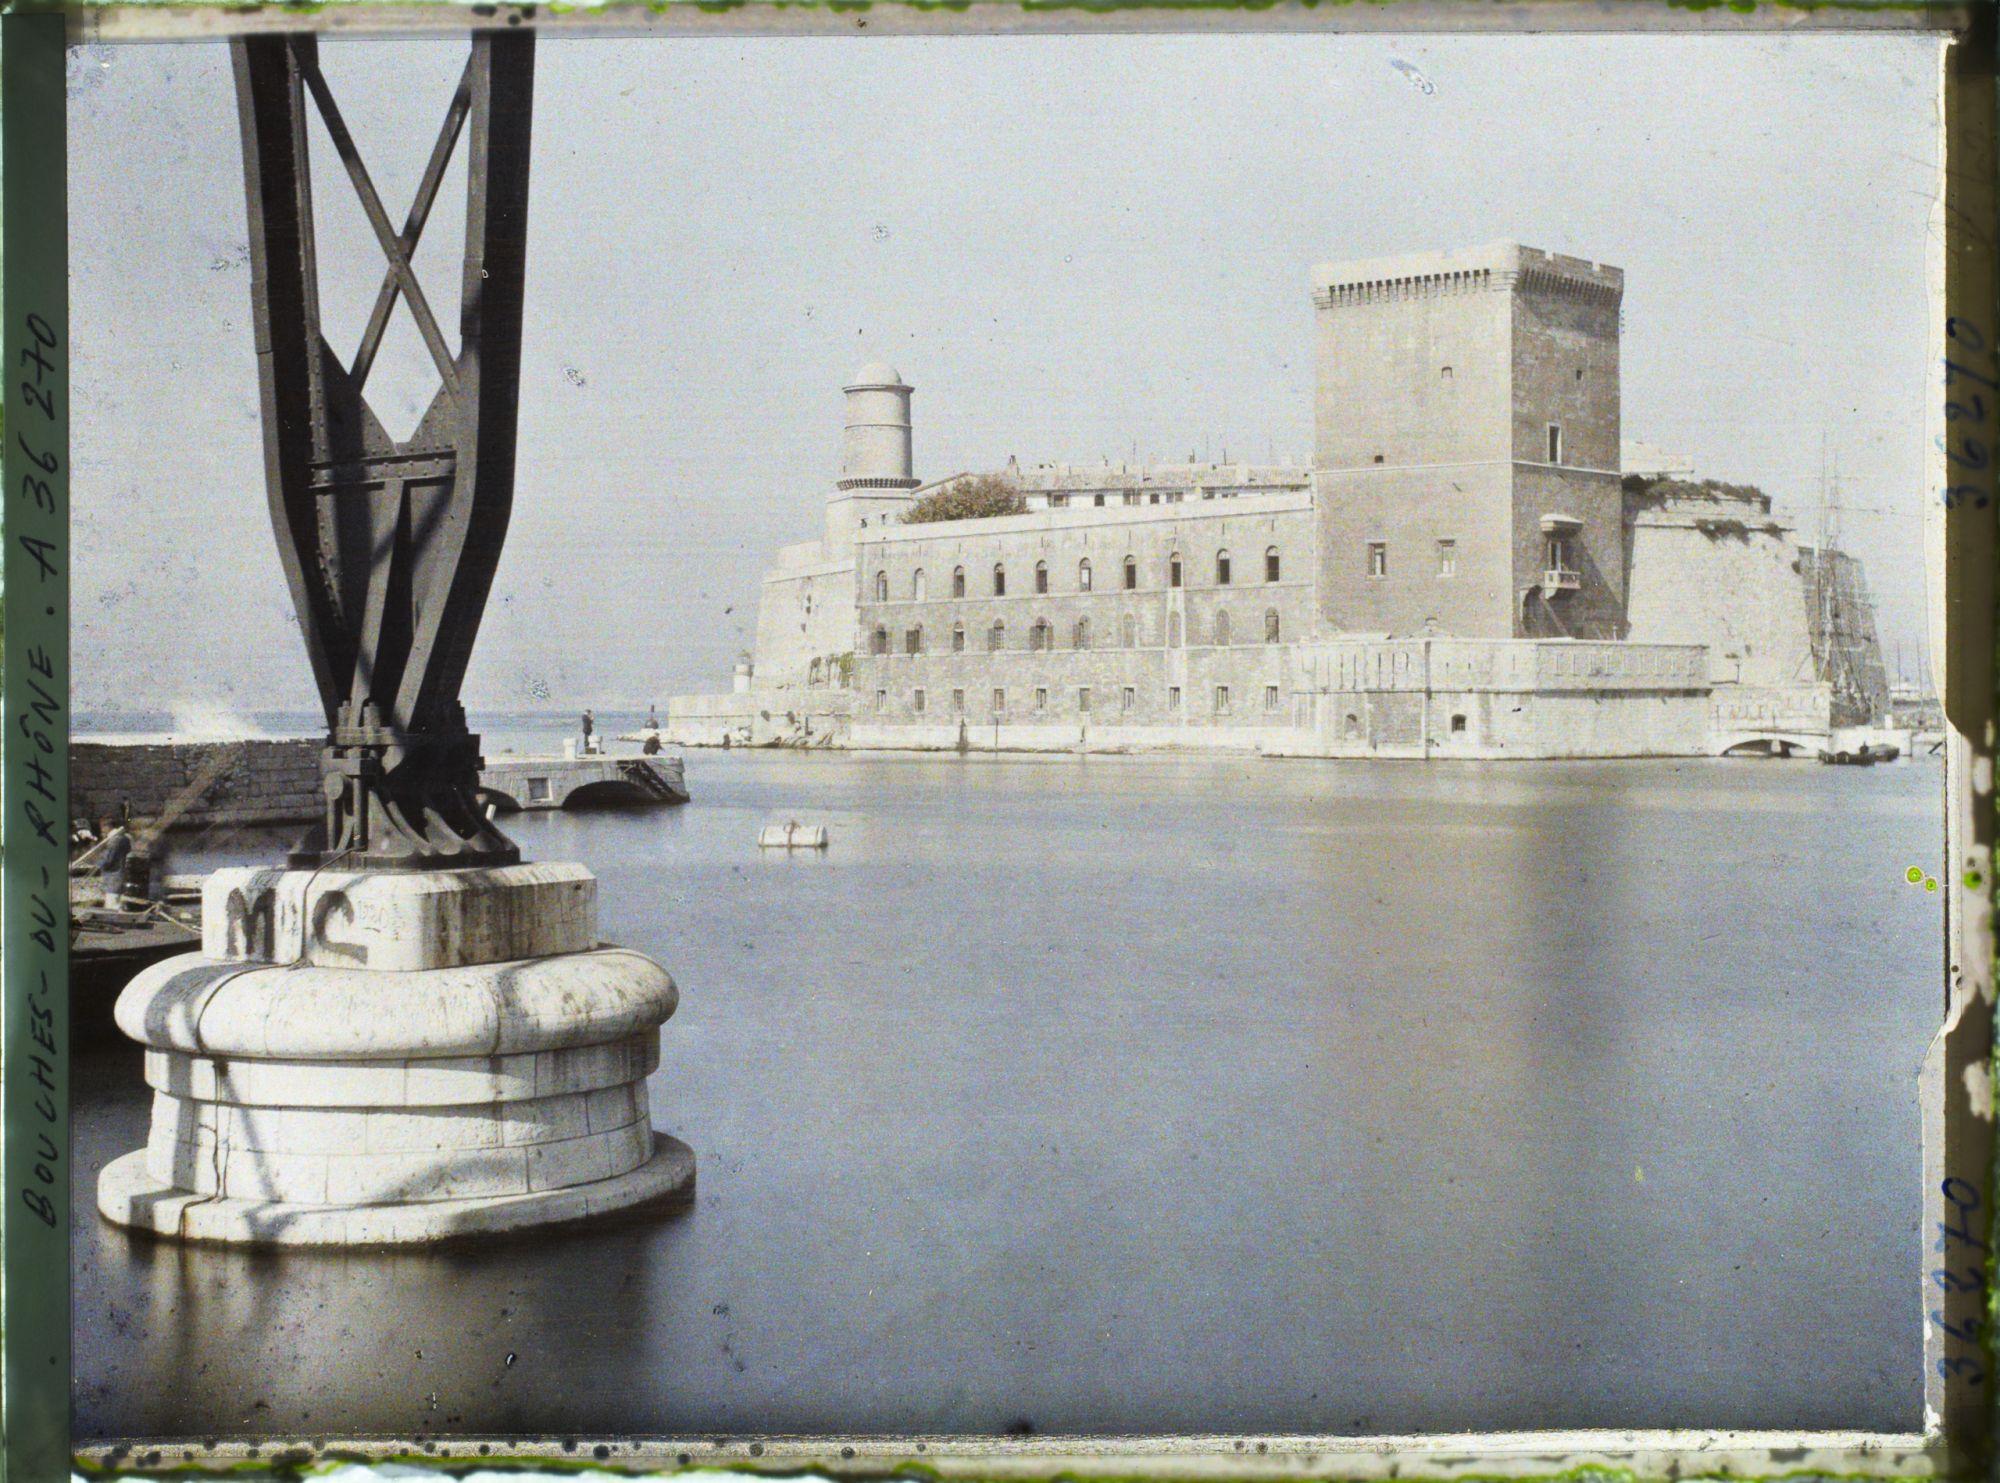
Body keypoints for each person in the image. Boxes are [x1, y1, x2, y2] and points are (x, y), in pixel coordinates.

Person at [97, 821, 132, 910]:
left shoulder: (114, 840)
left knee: (111, 907)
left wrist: (98, 862)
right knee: (117, 903)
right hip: (120, 875)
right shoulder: (124, 838)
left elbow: (108, 861)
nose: (102, 830)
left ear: (108, 826)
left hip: (112, 878)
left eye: (102, 827)